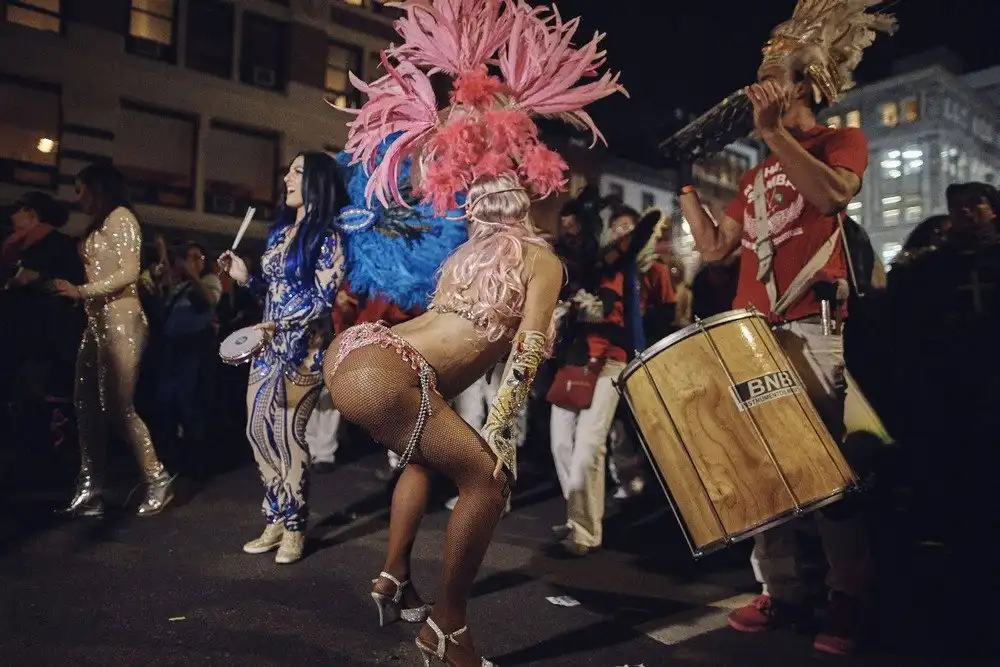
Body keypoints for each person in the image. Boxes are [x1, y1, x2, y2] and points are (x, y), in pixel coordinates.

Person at [322, 2, 625, 664]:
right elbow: (529, 351)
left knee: (422, 457)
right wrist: (502, 435)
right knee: (486, 483)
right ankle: (447, 628)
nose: (563, 196)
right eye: (557, 188)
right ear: (536, 194)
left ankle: (392, 575)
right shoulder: (541, 259)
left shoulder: (468, 254)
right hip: (389, 371)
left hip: (361, 351)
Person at [676, 0, 896, 656]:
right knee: (759, 469)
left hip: (811, 327)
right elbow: (716, 250)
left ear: (805, 84)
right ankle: (781, 588)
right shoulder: (753, 174)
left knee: (818, 467)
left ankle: (849, 593)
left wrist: (774, 134)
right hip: (751, 332)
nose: (757, 86)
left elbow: (832, 196)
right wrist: (685, 191)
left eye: (772, 76)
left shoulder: (837, 143)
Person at [218, 152, 348, 565]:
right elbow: (271, 292)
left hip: (305, 349)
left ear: (317, 182)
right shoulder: (281, 234)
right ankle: (276, 514)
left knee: (289, 435)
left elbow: (322, 300)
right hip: (267, 346)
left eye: (297, 172)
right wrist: (246, 279)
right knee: (257, 431)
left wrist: (278, 325)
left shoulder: (329, 237)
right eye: (288, 171)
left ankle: (295, 525)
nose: (287, 178)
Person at [50, 163, 175, 517]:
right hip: (97, 321)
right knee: (85, 404)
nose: (78, 198)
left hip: (123, 319)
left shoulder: (122, 218)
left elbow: (129, 272)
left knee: (117, 407)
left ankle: (157, 478)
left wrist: (81, 291)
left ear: (98, 187)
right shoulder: (99, 224)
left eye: (81, 190)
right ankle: (91, 487)